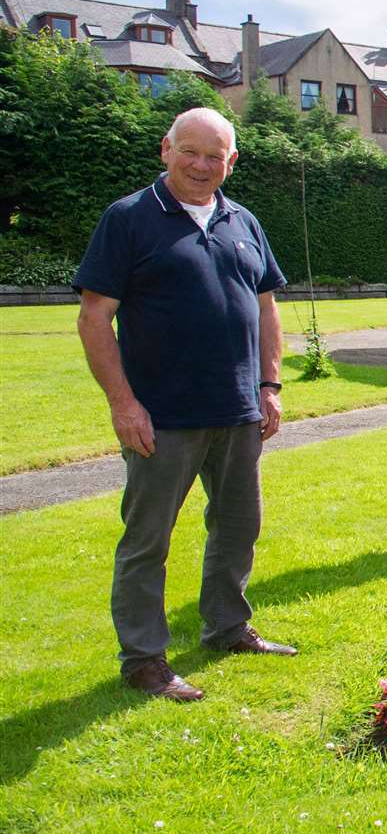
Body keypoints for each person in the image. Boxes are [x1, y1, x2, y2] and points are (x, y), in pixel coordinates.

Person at [74, 107, 296, 703]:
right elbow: (95, 317)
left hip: (238, 410)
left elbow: (266, 306)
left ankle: (227, 626)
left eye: (215, 156)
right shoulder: (129, 219)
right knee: (148, 538)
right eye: (190, 152)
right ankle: (144, 659)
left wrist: (269, 385)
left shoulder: (243, 220)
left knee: (238, 526)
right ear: (166, 148)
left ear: (232, 161)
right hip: (161, 416)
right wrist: (124, 405)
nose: (202, 166)